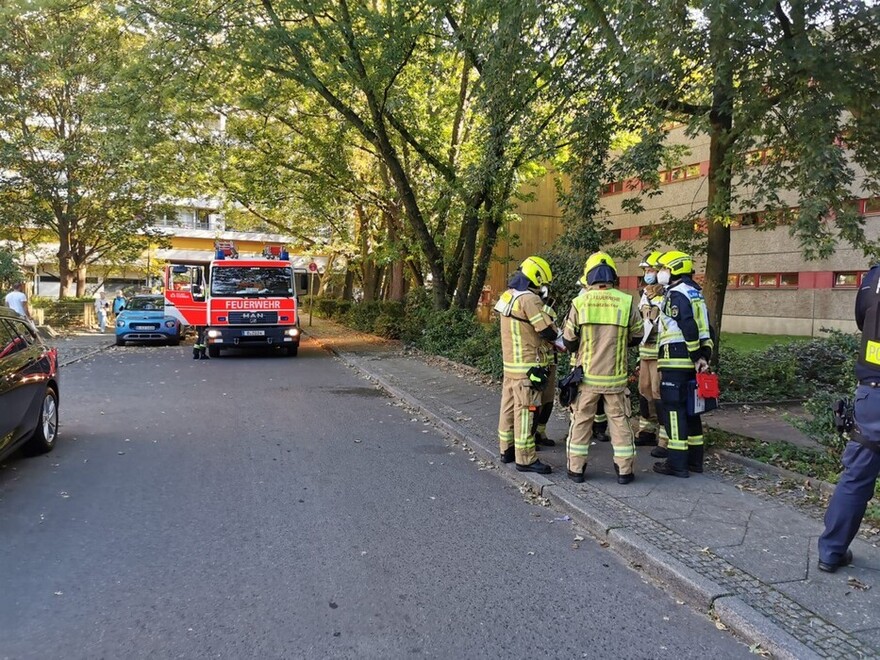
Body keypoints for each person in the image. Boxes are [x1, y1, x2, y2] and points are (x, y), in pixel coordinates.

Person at [817, 264, 880, 573]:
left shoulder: (874, 278)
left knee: (856, 477)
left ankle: (830, 552)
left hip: (874, 390)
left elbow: (862, 318)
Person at [563, 252, 643, 484]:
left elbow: (568, 340)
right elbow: (638, 335)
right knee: (620, 423)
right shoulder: (626, 301)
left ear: (588, 276)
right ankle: (625, 471)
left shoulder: (580, 302)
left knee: (581, 421)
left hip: (586, 378)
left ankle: (576, 470)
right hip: (615, 379)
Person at [495, 256, 562, 474]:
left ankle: (507, 449)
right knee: (526, 411)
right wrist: (560, 336)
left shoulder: (508, 296)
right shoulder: (530, 300)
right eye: (542, 283)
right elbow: (546, 330)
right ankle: (525, 459)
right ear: (535, 278)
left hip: (511, 365)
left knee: (508, 408)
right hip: (528, 367)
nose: (542, 288)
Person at [653, 251, 713, 478]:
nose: (661, 273)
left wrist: (695, 354)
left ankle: (677, 463)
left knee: (674, 411)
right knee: (692, 410)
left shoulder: (676, 295)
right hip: (694, 361)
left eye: (664, 268)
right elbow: (709, 328)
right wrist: (704, 357)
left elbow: (688, 324)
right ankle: (695, 461)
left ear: (675, 269)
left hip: (676, 360)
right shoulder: (697, 293)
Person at [636, 251, 670, 457]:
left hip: (660, 352)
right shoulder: (645, 294)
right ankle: (646, 431)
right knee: (644, 390)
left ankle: (664, 439)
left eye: (650, 270)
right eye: (646, 270)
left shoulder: (667, 294)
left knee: (659, 393)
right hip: (645, 351)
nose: (647, 274)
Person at [531, 288, 562, 449]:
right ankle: (531, 435)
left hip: (551, 359)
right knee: (534, 401)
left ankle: (541, 433)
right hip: (536, 362)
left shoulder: (549, 305)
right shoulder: (530, 306)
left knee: (548, 399)